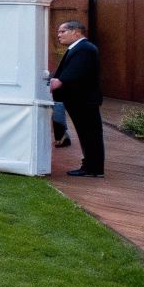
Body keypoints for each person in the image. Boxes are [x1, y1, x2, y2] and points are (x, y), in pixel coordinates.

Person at [51, 20, 103, 177]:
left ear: (76, 32)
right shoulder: (77, 48)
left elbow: (76, 71)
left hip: (84, 100)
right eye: (58, 32)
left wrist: (58, 81)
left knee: (90, 135)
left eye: (63, 31)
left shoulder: (85, 48)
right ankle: (90, 166)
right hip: (79, 100)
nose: (59, 35)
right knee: (86, 134)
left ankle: (93, 168)